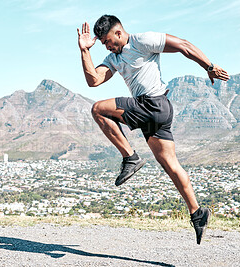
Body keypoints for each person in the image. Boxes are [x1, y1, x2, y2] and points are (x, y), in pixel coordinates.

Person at [77, 15, 230, 245]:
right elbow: (94, 80)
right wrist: (84, 51)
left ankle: (130, 158)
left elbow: (184, 46)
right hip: (156, 113)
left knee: (98, 109)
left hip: (152, 104)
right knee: (171, 165)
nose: (106, 46)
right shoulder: (114, 58)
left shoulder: (142, 41)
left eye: (107, 41)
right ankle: (197, 213)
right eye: (102, 44)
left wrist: (208, 66)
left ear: (118, 33)